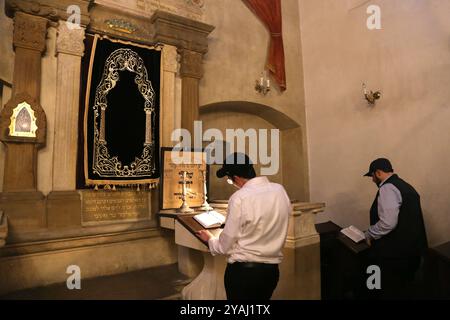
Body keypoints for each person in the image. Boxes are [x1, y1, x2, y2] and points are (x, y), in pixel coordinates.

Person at [197, 152, 291, 300]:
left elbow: (225, 245)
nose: (232, 183)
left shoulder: (239, 197)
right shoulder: (279, 190)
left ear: (236, 178)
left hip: (243, 275)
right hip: (271, 272)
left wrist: (210, 240)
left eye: (229, 179)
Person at [362, 158, 428, 299]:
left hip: (393, 256)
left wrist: (369, 233)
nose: (372, 180)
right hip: (411, 252)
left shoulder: (387, 188)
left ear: (378, 173)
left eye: (372, 176)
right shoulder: (405, 186)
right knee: (404, 290)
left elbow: (387, 223)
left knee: (384, 289)